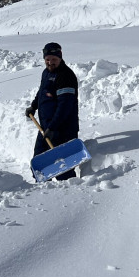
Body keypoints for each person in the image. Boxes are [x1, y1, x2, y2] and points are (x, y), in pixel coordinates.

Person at [25, 42, 80, 179]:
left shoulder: (66, 76)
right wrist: (34, 106)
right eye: (47, 59)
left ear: (60, 58)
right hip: (46, 127)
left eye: (54, 59)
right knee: (38, 165)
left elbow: (65, 106)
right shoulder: (46, 73)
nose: (50, 62)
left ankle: (71, 194)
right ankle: (44, 193)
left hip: (63, 129)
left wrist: (53, 127)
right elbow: (42, 92)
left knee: (63, 170)